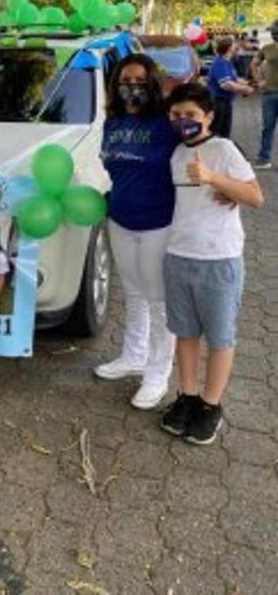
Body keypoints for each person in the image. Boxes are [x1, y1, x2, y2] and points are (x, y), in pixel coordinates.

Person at [161, 83, 263, 444]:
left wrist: (214, 178)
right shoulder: (175, 154)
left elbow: (255, 196)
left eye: (190, 115)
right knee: (185, 333)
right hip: (179, 255)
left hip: (218, 260)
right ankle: (187, 396)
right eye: (176, 115)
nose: (183, 121)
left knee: (220, 337)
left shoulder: (223, 149)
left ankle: (211, 404)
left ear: (208, 116)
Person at [96, 54, 178, 409]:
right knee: (133, 293)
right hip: (120, 220)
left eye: (140, 81)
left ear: (152, 83)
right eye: (125, 80)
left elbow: (203, 144)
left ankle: (157, 374)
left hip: (159, 222)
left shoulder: (166, 123)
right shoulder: (111, 123)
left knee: (158, 300)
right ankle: (134, 356)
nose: (132, 87)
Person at [206, 37, 253, 138]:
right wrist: (245, 89)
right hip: (218, 102)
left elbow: (234, 79)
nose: (237, 47)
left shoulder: (227, 62)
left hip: (225, 102)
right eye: (234, 45)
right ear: (229, 48)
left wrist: (248, 83)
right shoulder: (220, 63)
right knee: (218, 133)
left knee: (224, 133)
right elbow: (226, 85)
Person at [252, 20, 278, 169]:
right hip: (269, 93)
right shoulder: (266, 48)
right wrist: (258, 80)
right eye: (274, 32)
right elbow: (254, 63)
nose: (275, 34)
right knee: (268, 127)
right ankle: (264, 158)